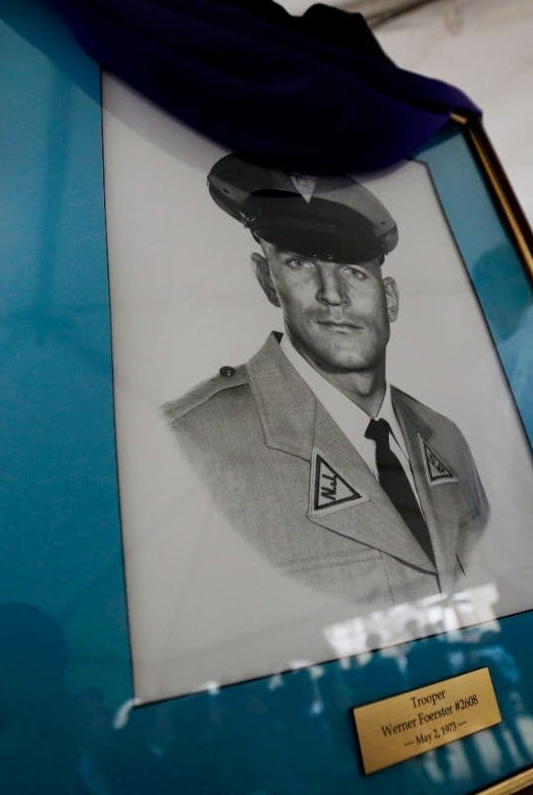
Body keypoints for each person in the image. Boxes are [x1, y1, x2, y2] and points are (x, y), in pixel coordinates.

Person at [164, 154, 490, 606]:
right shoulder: (193, 441)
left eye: (354, 271)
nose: (333, 295)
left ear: (390, 298)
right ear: (267, 280)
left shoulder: (445, 439)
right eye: (300, 264)